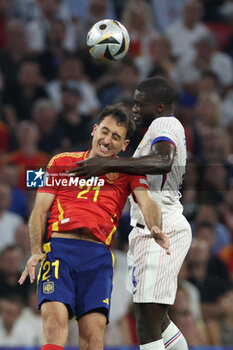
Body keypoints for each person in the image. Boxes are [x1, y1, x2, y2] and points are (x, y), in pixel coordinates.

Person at [19, 103, 170, 350]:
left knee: (93, 337)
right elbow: (39, 211)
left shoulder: (126, 172)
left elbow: (147, 202)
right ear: (94, 129)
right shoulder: (62, 161)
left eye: (116, 137)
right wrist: (36, 250)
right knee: (54, 325)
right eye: (105, 131)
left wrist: (154, 226)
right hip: (59, 251)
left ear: (124, 146)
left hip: (97, 257)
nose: (107, 140)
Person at [68, 77, 192, 350]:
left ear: (159, 105)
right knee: (158, 323)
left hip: (161, 226)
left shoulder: (165, 123)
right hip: (151, 227)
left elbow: (163, 161)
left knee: (147, 326)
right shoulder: (157, 129)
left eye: (139, 103)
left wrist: (107, 165)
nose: (134, 108)